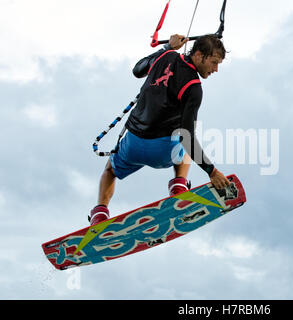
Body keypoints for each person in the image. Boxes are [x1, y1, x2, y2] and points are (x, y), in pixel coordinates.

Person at [88, 34, 230, 226]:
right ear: (198, 55)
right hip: (164, 150)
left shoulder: (164, 56)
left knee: (109, 171)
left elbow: (138, 70)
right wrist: (212, 172)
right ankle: (179, 186)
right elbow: (187, 137)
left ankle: (99, 214)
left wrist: (167, 48)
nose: (216, 69)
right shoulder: (194, 87)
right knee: (186, 140)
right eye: (213, 63)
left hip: (134, 145)